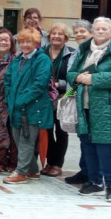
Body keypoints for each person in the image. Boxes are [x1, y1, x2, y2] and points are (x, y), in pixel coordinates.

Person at [67, 17, 111, 203]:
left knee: (106, 147)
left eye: (105, 29)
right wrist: (79, 77)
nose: (101, 31)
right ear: (93, 31)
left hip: (108, 108)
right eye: (97, 28)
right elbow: (71, 73)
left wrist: (95, 79)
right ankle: (95, 181)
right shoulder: (84, 49)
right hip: (85, 105)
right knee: (87, 145)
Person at [2, 28, 54, 184]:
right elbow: (8, 80)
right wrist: (10, 98)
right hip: (16, 107)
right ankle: (32, 170)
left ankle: (21, 172)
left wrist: (21, 100)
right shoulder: (17, 60)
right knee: (18, 140)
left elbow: (40, 84)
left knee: (26, 140)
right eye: (22, 42)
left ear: (36, 43)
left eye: (28, 42)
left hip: (33, 108)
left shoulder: (42, 59)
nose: (24, 45)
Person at [41, 23, 76, 177]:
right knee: (46, 130)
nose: (56, 36)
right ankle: (50, 161)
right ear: (49, 36)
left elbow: (72, 76)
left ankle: (58, 164)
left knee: (61, 131)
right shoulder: (42, 52)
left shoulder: (71, 54)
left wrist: (58, 84)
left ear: (66, 38)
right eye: (53, 33)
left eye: (60, 34)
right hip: (44, 98)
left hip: (63, 98)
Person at [64, 19, 93, 185]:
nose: (79, 35)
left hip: (90, 99)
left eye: (82, 31)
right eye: (76, 33)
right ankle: (85, 170)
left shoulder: (92, 52)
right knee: (83, 138)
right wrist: (67, 96)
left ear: (90, 32)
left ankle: (92, 173)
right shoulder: (76, 53)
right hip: (77, 98)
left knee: (90, 138)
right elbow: (72, 78)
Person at [0, 29, 18, 173]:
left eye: (7, 39)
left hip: (14, 100)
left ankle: (13, 162)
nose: (3, 42)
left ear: (11, 43)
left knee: (14, 131)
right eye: (1, 39)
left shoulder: (17, 59)